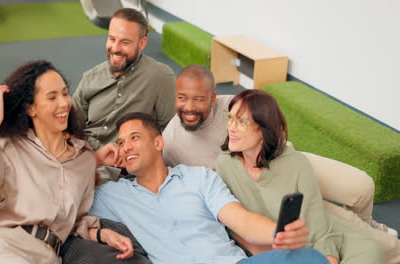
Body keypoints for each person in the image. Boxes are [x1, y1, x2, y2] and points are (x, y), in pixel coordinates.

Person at [162, 65, 399, 262]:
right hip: (257, 191)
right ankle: (383, 242)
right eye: (182, 98)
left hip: (278, 158)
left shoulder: (236, 104)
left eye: (198, 99)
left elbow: (313, 216)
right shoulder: (175, 142)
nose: (189, 107)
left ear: (212, 98)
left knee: (360, 188)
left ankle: (372, 228)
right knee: (344, 224)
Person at [89, 112, 329, 264]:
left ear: (158, 142)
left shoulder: (198, 177)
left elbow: (241, 221)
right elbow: (59, 190)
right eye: (120, 143)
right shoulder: (112, 194)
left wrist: (279, 233)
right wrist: (96, 160)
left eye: (134, 138)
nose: (126, 147)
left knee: (311, 258)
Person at [0, 60, 134, 263]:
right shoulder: (10, 147)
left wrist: (102, 234)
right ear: (31, 109)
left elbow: (72, 219)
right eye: (52, 97)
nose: (63, 103)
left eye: (65, 93)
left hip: (49, 255)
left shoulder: (85, 159)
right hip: (7, 249)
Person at [215, 89, 388, 264]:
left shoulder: (296, 163)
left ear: (263, 129)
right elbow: (230, 221)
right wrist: (258, 249)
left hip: (326, 236)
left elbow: (317, 225)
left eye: (242, 121)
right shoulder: (224, 163)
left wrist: (327, 259)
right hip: (280, 248)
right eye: (230, 118)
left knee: (371, 251)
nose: (231, 127)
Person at [72, 7, 176, 151]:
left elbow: (170, 132)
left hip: (131, 165)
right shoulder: (90, 78)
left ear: (142, 43)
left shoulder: (160, 76)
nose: (115, 48)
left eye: (125, 42)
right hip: (87, 157)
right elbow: (71, 126)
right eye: (112, 39)